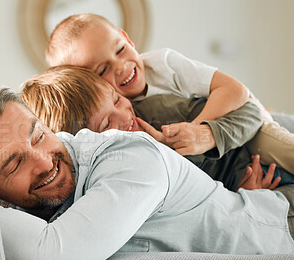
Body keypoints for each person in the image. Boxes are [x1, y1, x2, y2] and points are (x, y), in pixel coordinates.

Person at [0, 87, 294, 260]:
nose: (44, 161)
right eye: (15, 164)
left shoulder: (130, 159)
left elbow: (54, 254)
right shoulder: (24, 209)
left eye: (38, 136)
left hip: (281, 233)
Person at [45, 13, 294, 174]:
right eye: (102, 70)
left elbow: (235, 90)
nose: (121, 67)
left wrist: (198, 130)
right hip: (229, 157)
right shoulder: (118, 119)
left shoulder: (164, 64)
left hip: (248, 118)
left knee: (285, 151)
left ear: (127, 39)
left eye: (120, 50)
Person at [21, 65, 294, 191]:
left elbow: (248, 109)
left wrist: (205, 134)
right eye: (106, 124)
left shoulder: (156, 112)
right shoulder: (119, 174)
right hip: (254, 187)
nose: (123, 114)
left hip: (255, 153)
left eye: (117, 99)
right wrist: (245, 197)